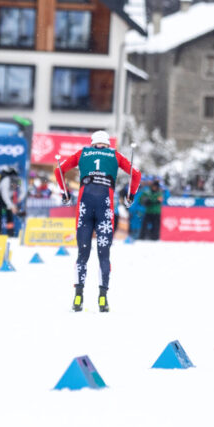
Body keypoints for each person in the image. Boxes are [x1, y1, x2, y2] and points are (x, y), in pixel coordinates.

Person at [54, 130, 141, 313]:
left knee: (82, 253)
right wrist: (130, 195)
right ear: (107, 144)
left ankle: (78, 297)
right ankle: (103, 298)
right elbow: (137, 174)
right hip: (105, 205)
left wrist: (65, 193)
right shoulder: (115, 155)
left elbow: (58, 170)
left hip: (84, 205)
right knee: (104, 254)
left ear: (92, 143)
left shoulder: (82, 153)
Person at [0, 165, 25, 237]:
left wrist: (20, 198)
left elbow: (23, 191)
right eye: (13, 185)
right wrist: (11, 206)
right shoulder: (6, 181)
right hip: (0, 196)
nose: (14, 187)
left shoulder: (19, 181)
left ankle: (10, 233)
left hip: (9, 196)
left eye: (15, 186)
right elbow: (5, 196)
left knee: (9, 215)